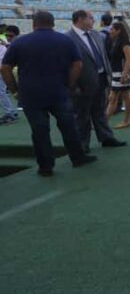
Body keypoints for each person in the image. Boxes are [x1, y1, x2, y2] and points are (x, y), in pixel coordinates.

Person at [0, 11, 97, 176]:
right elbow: (78, 65)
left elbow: (5, 67)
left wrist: (15, 89)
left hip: (31, 94)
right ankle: (77, 157)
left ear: (34, 24)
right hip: (59, 91)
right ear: (52, 24)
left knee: (40, 131)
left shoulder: (20, 42)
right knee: (69, 127)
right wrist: (70, 84)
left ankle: (45, 166)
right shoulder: (65, 40)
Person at [66, 10, 126, 152]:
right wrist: (73, 84)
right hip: (82, 82)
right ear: (80, 19)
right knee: (82, 114)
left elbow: (103, 55)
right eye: (91, 18)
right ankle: (83, 144)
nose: (93, 21)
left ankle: (106, 137)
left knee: (99, 111)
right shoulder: (68, 38)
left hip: (101, 78)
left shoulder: (96, 35)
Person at [105, 22, 130, 129]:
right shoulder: (115, 42)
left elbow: (129, 59)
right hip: (116, 74)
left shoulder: (124, 43)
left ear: (118, 30)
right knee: (117, 98)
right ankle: (107, 122)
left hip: (122, 74)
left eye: (112, 29)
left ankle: (124, 121)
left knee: (116, 98)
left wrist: (125, 74)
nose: (110, 31)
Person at [0, 34, 18, 124]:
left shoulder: (2, 47)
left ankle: (10, 113)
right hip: (2, 70)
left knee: (1, 93)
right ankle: (11, 112)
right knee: (2, 93)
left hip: (1, 71)